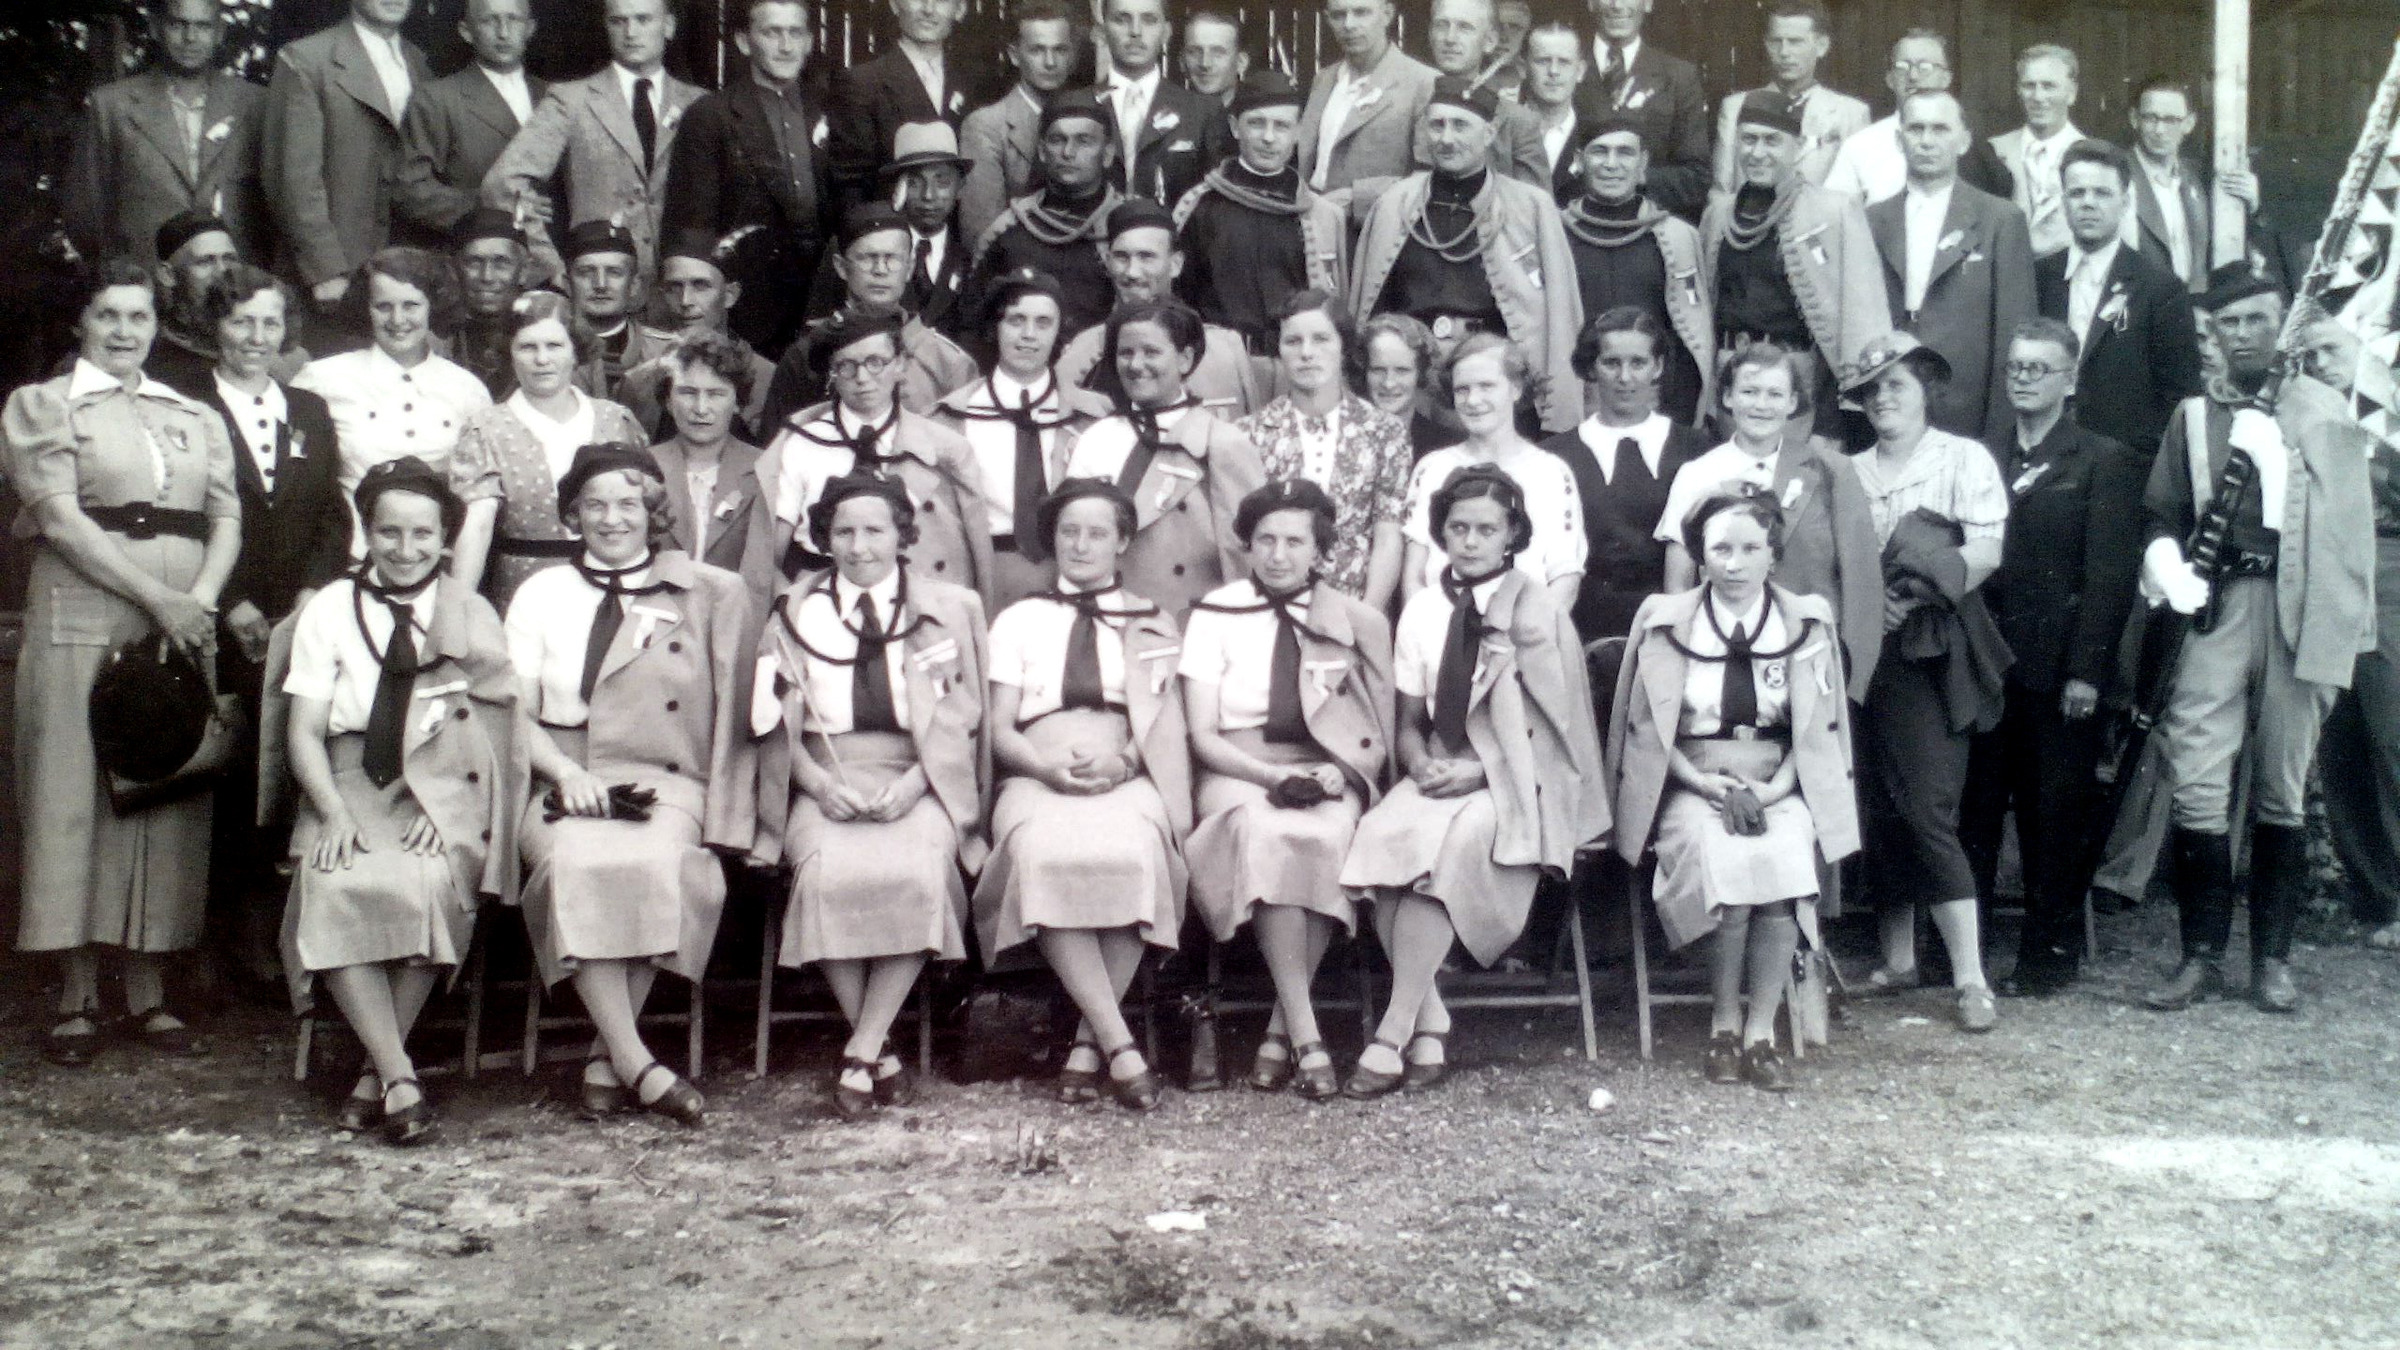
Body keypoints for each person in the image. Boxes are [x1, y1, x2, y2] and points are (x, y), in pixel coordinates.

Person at [4, 260, 240, 1066]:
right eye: (107, 315)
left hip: (181, 617)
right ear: (80, 323)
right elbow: (61, 520)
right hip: (84, 609)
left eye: (139, 317)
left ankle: (149, 990)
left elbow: (225, 516)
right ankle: (76, 995)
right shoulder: (43, 406)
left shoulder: (191, 413)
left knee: (165, 784)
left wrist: (197, 599)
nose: (123, 331)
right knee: (72, 790)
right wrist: (157, 597)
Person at [2137, 266, 2374, 1015]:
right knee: (2198, 779)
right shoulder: (2192, 416)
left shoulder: (2323, 410)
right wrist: (2167, 566)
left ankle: (2272, 961)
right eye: (2228, 323)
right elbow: (2163, 510)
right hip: (2217, 607)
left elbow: (2346, 529)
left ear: (2286, 327)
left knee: (2282, 785)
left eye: (2257, 320)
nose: (2242, 336)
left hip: (2299, 607)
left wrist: (2276, 466)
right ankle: (2200, 957)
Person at [508, 442, 756, 1127]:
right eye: (594, 505)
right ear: (572, 515)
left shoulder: (702, 591)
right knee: (572, 863)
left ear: (652, 512)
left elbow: (732, 714)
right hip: (562, 763)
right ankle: (635, 1060)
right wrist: (566, 772)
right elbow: (513, 715)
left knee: (659, 862)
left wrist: (726, 814)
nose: (611, 518)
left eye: (627, 504)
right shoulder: (541, 593)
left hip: (663, 772)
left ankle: (608, 1053)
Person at [1340, 464, 1607, 1095]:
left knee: (1452, 849)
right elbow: (1409, 721)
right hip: (1441, 764)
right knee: (1383, 839)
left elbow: (1558, 732)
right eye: (1458, 528)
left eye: (1487, 529)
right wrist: (1418, 761)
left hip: (1520, 776)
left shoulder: (1538, 612)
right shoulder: (1423, 610)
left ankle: (1392, 1031)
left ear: (1512, 534)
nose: (1470, 541)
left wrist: (1482, 769)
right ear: (1441, 532)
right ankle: (1430, 1019)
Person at [279, 458, 522, 1143]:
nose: (406, 549)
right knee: (335, 881)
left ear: (445, 539)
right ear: (367, 531)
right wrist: (333, 810)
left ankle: (376, 1077)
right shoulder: (331, 607)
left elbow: (495, 728)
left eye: (423, 534)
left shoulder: (469, 611)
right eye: (389, 532)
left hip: (444, 783)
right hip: (348, 776)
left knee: (429, 883)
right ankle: (397, 1075)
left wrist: (448, 808)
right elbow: (303, 731)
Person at [753, 474, 988, 1117]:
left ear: (902, 535)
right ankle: (876, 1047)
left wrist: (917, 784)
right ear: (823, 539)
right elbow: (773, 722)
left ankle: (861, 1047)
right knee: (826, 873)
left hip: (921, 772)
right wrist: (818, 785)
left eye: (874, 530)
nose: (859, 547)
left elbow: (961, 716)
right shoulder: (794, 610)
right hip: (825, 771)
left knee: (919, 869)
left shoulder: (949, 607)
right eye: (844, 532)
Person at [1611, 491, 1856, 1091]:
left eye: (1750, 548)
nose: (1735, 563)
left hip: (1778, 777)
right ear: (1700, 557)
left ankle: (1761, 1032)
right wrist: (1698, 781)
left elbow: (1818, 727)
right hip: (1691, 776)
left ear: (1774, 554)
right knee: (1725, 857)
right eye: (1720, 549)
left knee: (1784, 855)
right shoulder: (1665, 620)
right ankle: (1724, 1023)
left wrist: (1777, 790)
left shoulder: (1807, 621)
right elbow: (1644, 727)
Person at [978, 478, 1188, 1110]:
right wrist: (1043, 770)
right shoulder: (1019, 619)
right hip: (1036, 766)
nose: (1081, 544)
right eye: (1069, 531)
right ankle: (1117, 1043)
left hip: (1126, 764)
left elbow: (1164, 722)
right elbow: (999, 728)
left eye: (1097, 533)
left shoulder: (1152, 621)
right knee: (1040, 854)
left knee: (1136, 851)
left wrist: (1124, 763)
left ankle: (1089, 1044)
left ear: (1122, 542)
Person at [1181, 480, 1393, 1100]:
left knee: (1329, 836)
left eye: (1295, 542)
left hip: (1322, 768)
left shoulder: (1352, 620)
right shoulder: (1216, 612)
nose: (1278, 555)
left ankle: (1281, 1031)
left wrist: (1342, 772)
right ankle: (1305, 1033)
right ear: (1246, 546)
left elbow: (1376, 726)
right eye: (1265, 540)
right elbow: (1201, 734)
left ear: (1319, 550)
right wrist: (1269, 778)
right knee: (1268, 831)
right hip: (1237, 769)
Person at [1961, 319, 2145, 998]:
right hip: (1988, 666)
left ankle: (2046, 958)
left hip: (2061, 673)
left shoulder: (2100, 458)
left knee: (2053, 814)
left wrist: (2086, 672)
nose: (2024, 379)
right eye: (2016, 366)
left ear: (2070, 381)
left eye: (2039, 368)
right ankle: (1964, 955)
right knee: (1978, 810)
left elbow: (2108, 577)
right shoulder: (1983, 455)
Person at [1839, 334, 2009, 1033]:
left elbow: (1987, 548)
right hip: (1861, 649)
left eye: (1897, 385)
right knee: (1876, 800)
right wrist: (1865, 601)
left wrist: (1916, 589)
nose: (1884, 398)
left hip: (1930, 649)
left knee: (1928, 806)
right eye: (1872, 389)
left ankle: (1970, 977)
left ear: (1925, 391)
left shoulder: (1962, 458)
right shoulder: (1846, 470)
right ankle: (1899, 958)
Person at [190, 266, 353, 985]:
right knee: (221, 774)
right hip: (216, 615)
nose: (257, 338)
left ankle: (276, 933)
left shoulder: (308, 409)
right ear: (214, 327)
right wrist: (230, 602)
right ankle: (210, 939)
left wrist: (312, 595)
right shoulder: (188, 404)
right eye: (241, 322)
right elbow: (188, 515)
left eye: (270, 323)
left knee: (282, 769)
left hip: (298, 620)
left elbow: (331, 515)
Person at [1351, 78, 1584, 434]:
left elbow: (1560, 316)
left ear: (1489, 134)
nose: (1446, 138)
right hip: (1412, 384)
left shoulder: (1531, 207)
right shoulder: (1395, 204)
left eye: (1460, 126)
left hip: (1493, 380)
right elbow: (1370, 312)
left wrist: (1556, 410)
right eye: (1437, 125)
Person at [1656, 342, 1883, 699]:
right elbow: (1678, 584)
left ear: (1792, 402)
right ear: (1727, 397)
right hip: (1720, 657)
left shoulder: (1830, 471)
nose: (1761, 405)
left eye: (1775, 394)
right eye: (1749, 392)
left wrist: (1850, 683)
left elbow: (1862, 583)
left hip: (1810, 661)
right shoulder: (1697, 473)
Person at [747, 306, 993, 597]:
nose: (862, 377)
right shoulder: (803, 443)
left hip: (913, 599)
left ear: (900, 365)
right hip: (821, 593)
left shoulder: (944, 449)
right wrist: (794, 607)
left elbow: (976, 559)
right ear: (832, 374)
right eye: (846, 366)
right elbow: (768, 557)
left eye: (876, 362)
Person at [1701, 91, 1887, 444]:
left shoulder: (1834, 212)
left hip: (1800, 387)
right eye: (1748, 139)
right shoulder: (1719, 215)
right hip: (1731, 381)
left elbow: (1862, 319)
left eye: (1772, 141)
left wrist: (1831, 421)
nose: (1757, 152)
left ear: (1798, 146)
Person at [448, 291, 651, 607]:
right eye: (527, 347)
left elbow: (649, 509)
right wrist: (458, 609)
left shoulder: (615, 420)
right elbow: (478, 525)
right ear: (509, 353)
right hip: (523, 589)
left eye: (554, 346)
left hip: (615, 585)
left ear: (575, 351)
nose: (542, 359)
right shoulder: (486, 429)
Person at [930, 268, 1114, 609]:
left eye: (1043, 323)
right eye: (1016, 320)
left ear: (1059, 331)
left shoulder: (1093, 415)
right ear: (995, 327)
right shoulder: (952, 418)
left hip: (1078, 574)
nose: (1029, 335)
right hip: (987, 575)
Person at [483, 0, 703, 284]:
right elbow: (501, 184)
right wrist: (552, 267)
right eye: (618, 21)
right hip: (599, 282)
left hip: (679, 287)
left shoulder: (698, 103)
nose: (630, 32)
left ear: (669, 26)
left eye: (643, 19)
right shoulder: (571, 99)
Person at [661, 0, 830, 358]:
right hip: (747, 311)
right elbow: (694, 226)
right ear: (743, 41)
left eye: (795, 32)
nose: (785, 45)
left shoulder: (830, 108)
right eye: (772, 32)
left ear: (810, 42)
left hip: (819, 303)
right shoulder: (710, 116)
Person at [1865, 91, 2036, 443]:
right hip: (1884, 407)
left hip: (1964, 408)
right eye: (1916, 129)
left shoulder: (2000, 219)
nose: (1927, 141)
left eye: (1940, 129)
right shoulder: (1871, 220)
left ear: (1964, 141)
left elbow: (2014, 332)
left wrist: (2000, 433)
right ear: (1899, 139)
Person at [1239, 291, 1411, 608]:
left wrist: (1366, 615)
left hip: (1354, 607)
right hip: (1271, 608)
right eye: (1293, 341)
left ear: (1344, 346)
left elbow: (1388, 536)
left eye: (1321, 339)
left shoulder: (1385, 431)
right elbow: (1243, 538)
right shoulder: (1250, 433)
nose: (1307, 353)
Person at [1544, 308, 1705, 643]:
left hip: (1672, 633)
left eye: (1638, 363)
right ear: (1592, 367)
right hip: (1577, 632)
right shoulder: (1554, 456)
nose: (1625, 377)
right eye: (1611, 363)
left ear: (1658, 367)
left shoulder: (1697, 450)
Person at [64, 0, 265, 268]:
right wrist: (119, 272)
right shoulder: (112, 106)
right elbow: (84, 213)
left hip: (234, 275)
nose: (190, 37)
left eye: (203, 26)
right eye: (178, 24)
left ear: (219, 33)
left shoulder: (255, 104)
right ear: (155, 28)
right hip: (142, 278)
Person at [262, 0, 433, 315]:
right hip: (335, 278)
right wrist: (325, 270)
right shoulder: (306, 59)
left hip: (406, 281)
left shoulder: (420, 63)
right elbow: (293, 180)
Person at [2036, 138, 2202, 459]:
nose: (2088, 203)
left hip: (2123, 462)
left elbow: (2179, 396)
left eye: (2102, 193)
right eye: (2077, 193)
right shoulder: (2039, 277)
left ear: (2125, 202)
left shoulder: (2160, 288)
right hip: (2048, 455)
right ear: (2063, 201)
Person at [291, 247, 492, 505]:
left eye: (411, 306)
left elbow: (481, 490)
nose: (397, 319)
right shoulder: (322, 379)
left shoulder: (467, 389)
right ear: (366, 308)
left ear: (433, 306)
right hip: (350, 529)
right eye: (383, 306)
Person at [1171, 73, 1352, 356]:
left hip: (1295, 360)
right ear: (1235, 127)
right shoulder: (1199, 206)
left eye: (1281, 126)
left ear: (1298, 132)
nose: (1269, 137)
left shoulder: (1322, 216)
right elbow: (1176, 301)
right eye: (1256, 123)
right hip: (1218, 360)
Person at [1400, 334, 1584, 608]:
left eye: (1486, 386)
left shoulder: (1551, 472)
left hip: (1524, 626)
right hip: (1441, 626)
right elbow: (1413, 575)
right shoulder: (1433, 468)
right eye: (1462, 389)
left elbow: (1565, 577)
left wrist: (1529, 629)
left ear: (1516, 388)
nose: (1473, 400)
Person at [1559, 116, 1711, 426]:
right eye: (1600, 151)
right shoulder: (1555, 233)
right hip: (1574, 400)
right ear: (1579, 160)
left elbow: (1690, 338)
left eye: (1625, 153)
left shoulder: (1677, 236)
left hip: (1655, 401)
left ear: (1642, 163)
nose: (1611, 164)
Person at [770, 205, 982, 427]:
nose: (880, 270)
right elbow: (780, 441)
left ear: (910, 267)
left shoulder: (949, 363)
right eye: (866, 258)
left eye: (892, 258)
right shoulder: (806, 357)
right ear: (841, 267)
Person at [1055, 201, 1262, 417]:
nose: (1132, 272)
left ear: (1175, 264)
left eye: (1146, 257)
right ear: (1107, 262)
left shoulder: (1225, 351)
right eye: (1121, 257)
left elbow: (1251, 429)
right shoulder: (1082, 353)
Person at [965, 93, 1123, 340]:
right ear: (1041, 150)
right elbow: (974, 326)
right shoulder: (1008, 232)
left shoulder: (1127, 230)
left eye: (1083, 141)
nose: (1068, 152)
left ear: (1107, 154)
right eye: (1057, 140)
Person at [396, 0, 545, 243]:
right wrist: (485, 202)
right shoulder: (437, 99)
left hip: (554, 255)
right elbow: (411, 190)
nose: (503, 32)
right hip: (476, 251)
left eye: (513, 19)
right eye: (489, 20)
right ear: (466, 31)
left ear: (530, 28)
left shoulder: (553, 96)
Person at [614, 230, 779, 441]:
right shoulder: (639, 383)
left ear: (730, 295)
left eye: (700, 286)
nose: (685, 301)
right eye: (674, 287)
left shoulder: (767, 378)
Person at [1821, 30, 2015, 207]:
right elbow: (1834, 213)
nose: (1913, 76)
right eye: (1902, 67)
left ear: (1946, 79)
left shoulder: (1971, 147)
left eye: (1925, 67)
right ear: (1889, 79)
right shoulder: (1860, 146)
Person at [827, 0, 975, 214]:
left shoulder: (973, 82)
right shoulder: (862, 83)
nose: (928, 9)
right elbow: (852, 188)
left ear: (960, 9)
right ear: (895, 4)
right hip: (892, 226)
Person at [958, 0, 1082, 246]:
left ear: (1072, 55)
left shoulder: (1086, 118)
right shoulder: (986, 126)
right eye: (1037, 50)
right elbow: (981, 233)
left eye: (1060, 50)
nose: (1050, 62)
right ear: (1014, 55)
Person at [1710, 0, 1867, 193]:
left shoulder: (1850, 114)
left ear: (1822, 46)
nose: (1784, 52)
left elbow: (1854, 196)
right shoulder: (1736, 107)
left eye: (1795, 42)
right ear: (1766, 44)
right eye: (1776, 42)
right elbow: (1721, 192)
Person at [1572, 0, 1709, 220]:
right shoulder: (1560, 70)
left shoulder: (1679, 77)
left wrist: (1634, 176)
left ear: (1648, 3)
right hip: (1575, 223)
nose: (1617, 5)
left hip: (1650, 226)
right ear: (1590, 3)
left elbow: (1696, 177)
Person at [2124, 75, 2261, 294]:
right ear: (2134, 119)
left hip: (2196, 305)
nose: (2159, 130)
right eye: (2150, 118)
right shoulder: (2117, 175)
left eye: (2171, 120)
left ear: (2189, 123)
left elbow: (2230, 245)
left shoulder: (2200, 178)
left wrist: (2250, 205)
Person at [648, 332, 768, 579]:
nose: (701, 409)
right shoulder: (644, 467)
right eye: (688, 392)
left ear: (737, 402)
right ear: (668, 401)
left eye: (715, 394)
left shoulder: (764, 468)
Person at [1094, 0, 1232, 209]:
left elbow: (1218, 205)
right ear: (1102, 31)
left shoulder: (1203, 111)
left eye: (1149, 20)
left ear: (1166, 32)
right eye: (1122, 19)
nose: (1135, 31)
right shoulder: (1076, 104)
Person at [1295, 0, 1439, 193]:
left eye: (1361, 12)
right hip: (1311, 207)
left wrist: (1356, 199)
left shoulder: (1424, 83)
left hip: (1378, 211)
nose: (1348, 24)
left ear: (1387, 14)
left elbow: (1427, 176)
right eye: (1338, 15)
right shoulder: (1324, 79)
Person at [1420, 0, 1549, 185]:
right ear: (1430, 34)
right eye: (1442, 25)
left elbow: (1534, 201)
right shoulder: (1404, 102)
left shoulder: (1518, 123)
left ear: (1489, 41)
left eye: (1464, 27)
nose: (1450, 38)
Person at [1988, 45, 2090, 260]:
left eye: (2049, 86)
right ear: (2018, 90)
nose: (2038, 96)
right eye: (2029, 86)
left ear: (2071, 93)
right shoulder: (1992, 151)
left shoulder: (2095, 158)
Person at [145, 212, 263, 396]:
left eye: (230, 259)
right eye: (205, 262)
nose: (222, 272)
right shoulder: (150, 363)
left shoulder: (269, 351)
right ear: (167, 275)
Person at [559, 220, 673, 394]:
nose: (601, 284)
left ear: (634, 285)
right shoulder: (544, 350)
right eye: (586, 272)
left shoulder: (665, 352)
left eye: (614, 272)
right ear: (567, 284)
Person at [886, 124, 975, 337]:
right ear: (897, 188)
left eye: (942, 182)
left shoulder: (971, 260)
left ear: (960, 186)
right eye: (914, 183)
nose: (928, 195)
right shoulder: (873, 252)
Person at [451, 209, 535, 398]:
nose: (487, 276)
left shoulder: (546, 336)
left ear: (523, 271)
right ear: (456, 268)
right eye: (474, 262)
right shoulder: (436, 339)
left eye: (501, 263)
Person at [1359, 313, 1456, 459]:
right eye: (1378, 370)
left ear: (1421, 373)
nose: (1389, 383)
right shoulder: (1339, 437)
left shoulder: (1446, 448)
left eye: (1402, 371)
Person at [1517, 17, 1586, 186]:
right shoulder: (1499, 130)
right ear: (1522, 68)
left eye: (1564, 62)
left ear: (1580, 71)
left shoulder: (1592, 136)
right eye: (1543, 61)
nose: (1554, 71)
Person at [1180, 10, 1249, 110]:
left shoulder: (1261, 114)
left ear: (1241, 62)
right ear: (1182, 61)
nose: (1205, 63)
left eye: (1218, 53)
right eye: (1195, 52)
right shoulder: (1164, 114)